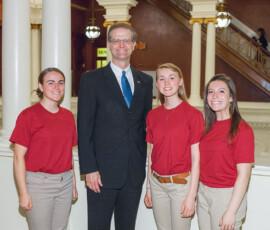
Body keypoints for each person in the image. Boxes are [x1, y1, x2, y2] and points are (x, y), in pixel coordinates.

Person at [77, 22, 153, 230]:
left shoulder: (145, 82)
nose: (121, 44)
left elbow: (144, 127)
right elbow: (84, 128)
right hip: (100, 174)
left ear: (134, 45)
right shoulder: (91, 80)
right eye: (116, 40)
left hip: (133, 174)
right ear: (109, 45)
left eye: (126, 40)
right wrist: (89, 169)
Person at [10, 67, 78, 230]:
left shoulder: (68, 116)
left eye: (61, 83)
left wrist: (73, 183)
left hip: (65, 183)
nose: (57, 87)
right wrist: (23, 193)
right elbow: (18, 157)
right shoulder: (28, 116)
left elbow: (67, 153)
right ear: (40, 86)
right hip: (38, 185)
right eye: (51, 83)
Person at [144, 63, 204, 230]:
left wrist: (191, 195)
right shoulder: (152, 115)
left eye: (172, 78)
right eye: (162, 79)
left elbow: (196, 158)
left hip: (181, 185)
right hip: (156, 184)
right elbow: (152, 153)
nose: (167, 83)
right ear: (157, 84)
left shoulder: (193, 115)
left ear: (180, 82)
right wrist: (148, 187)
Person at [197, 74, 254, 230]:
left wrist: (231, 211)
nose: (214, 96)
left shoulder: (242, 130)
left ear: (231, 97)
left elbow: (244, 174)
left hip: (226, 196)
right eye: (210, 92)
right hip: (203, 192)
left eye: (221, 91)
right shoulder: (206, 127)